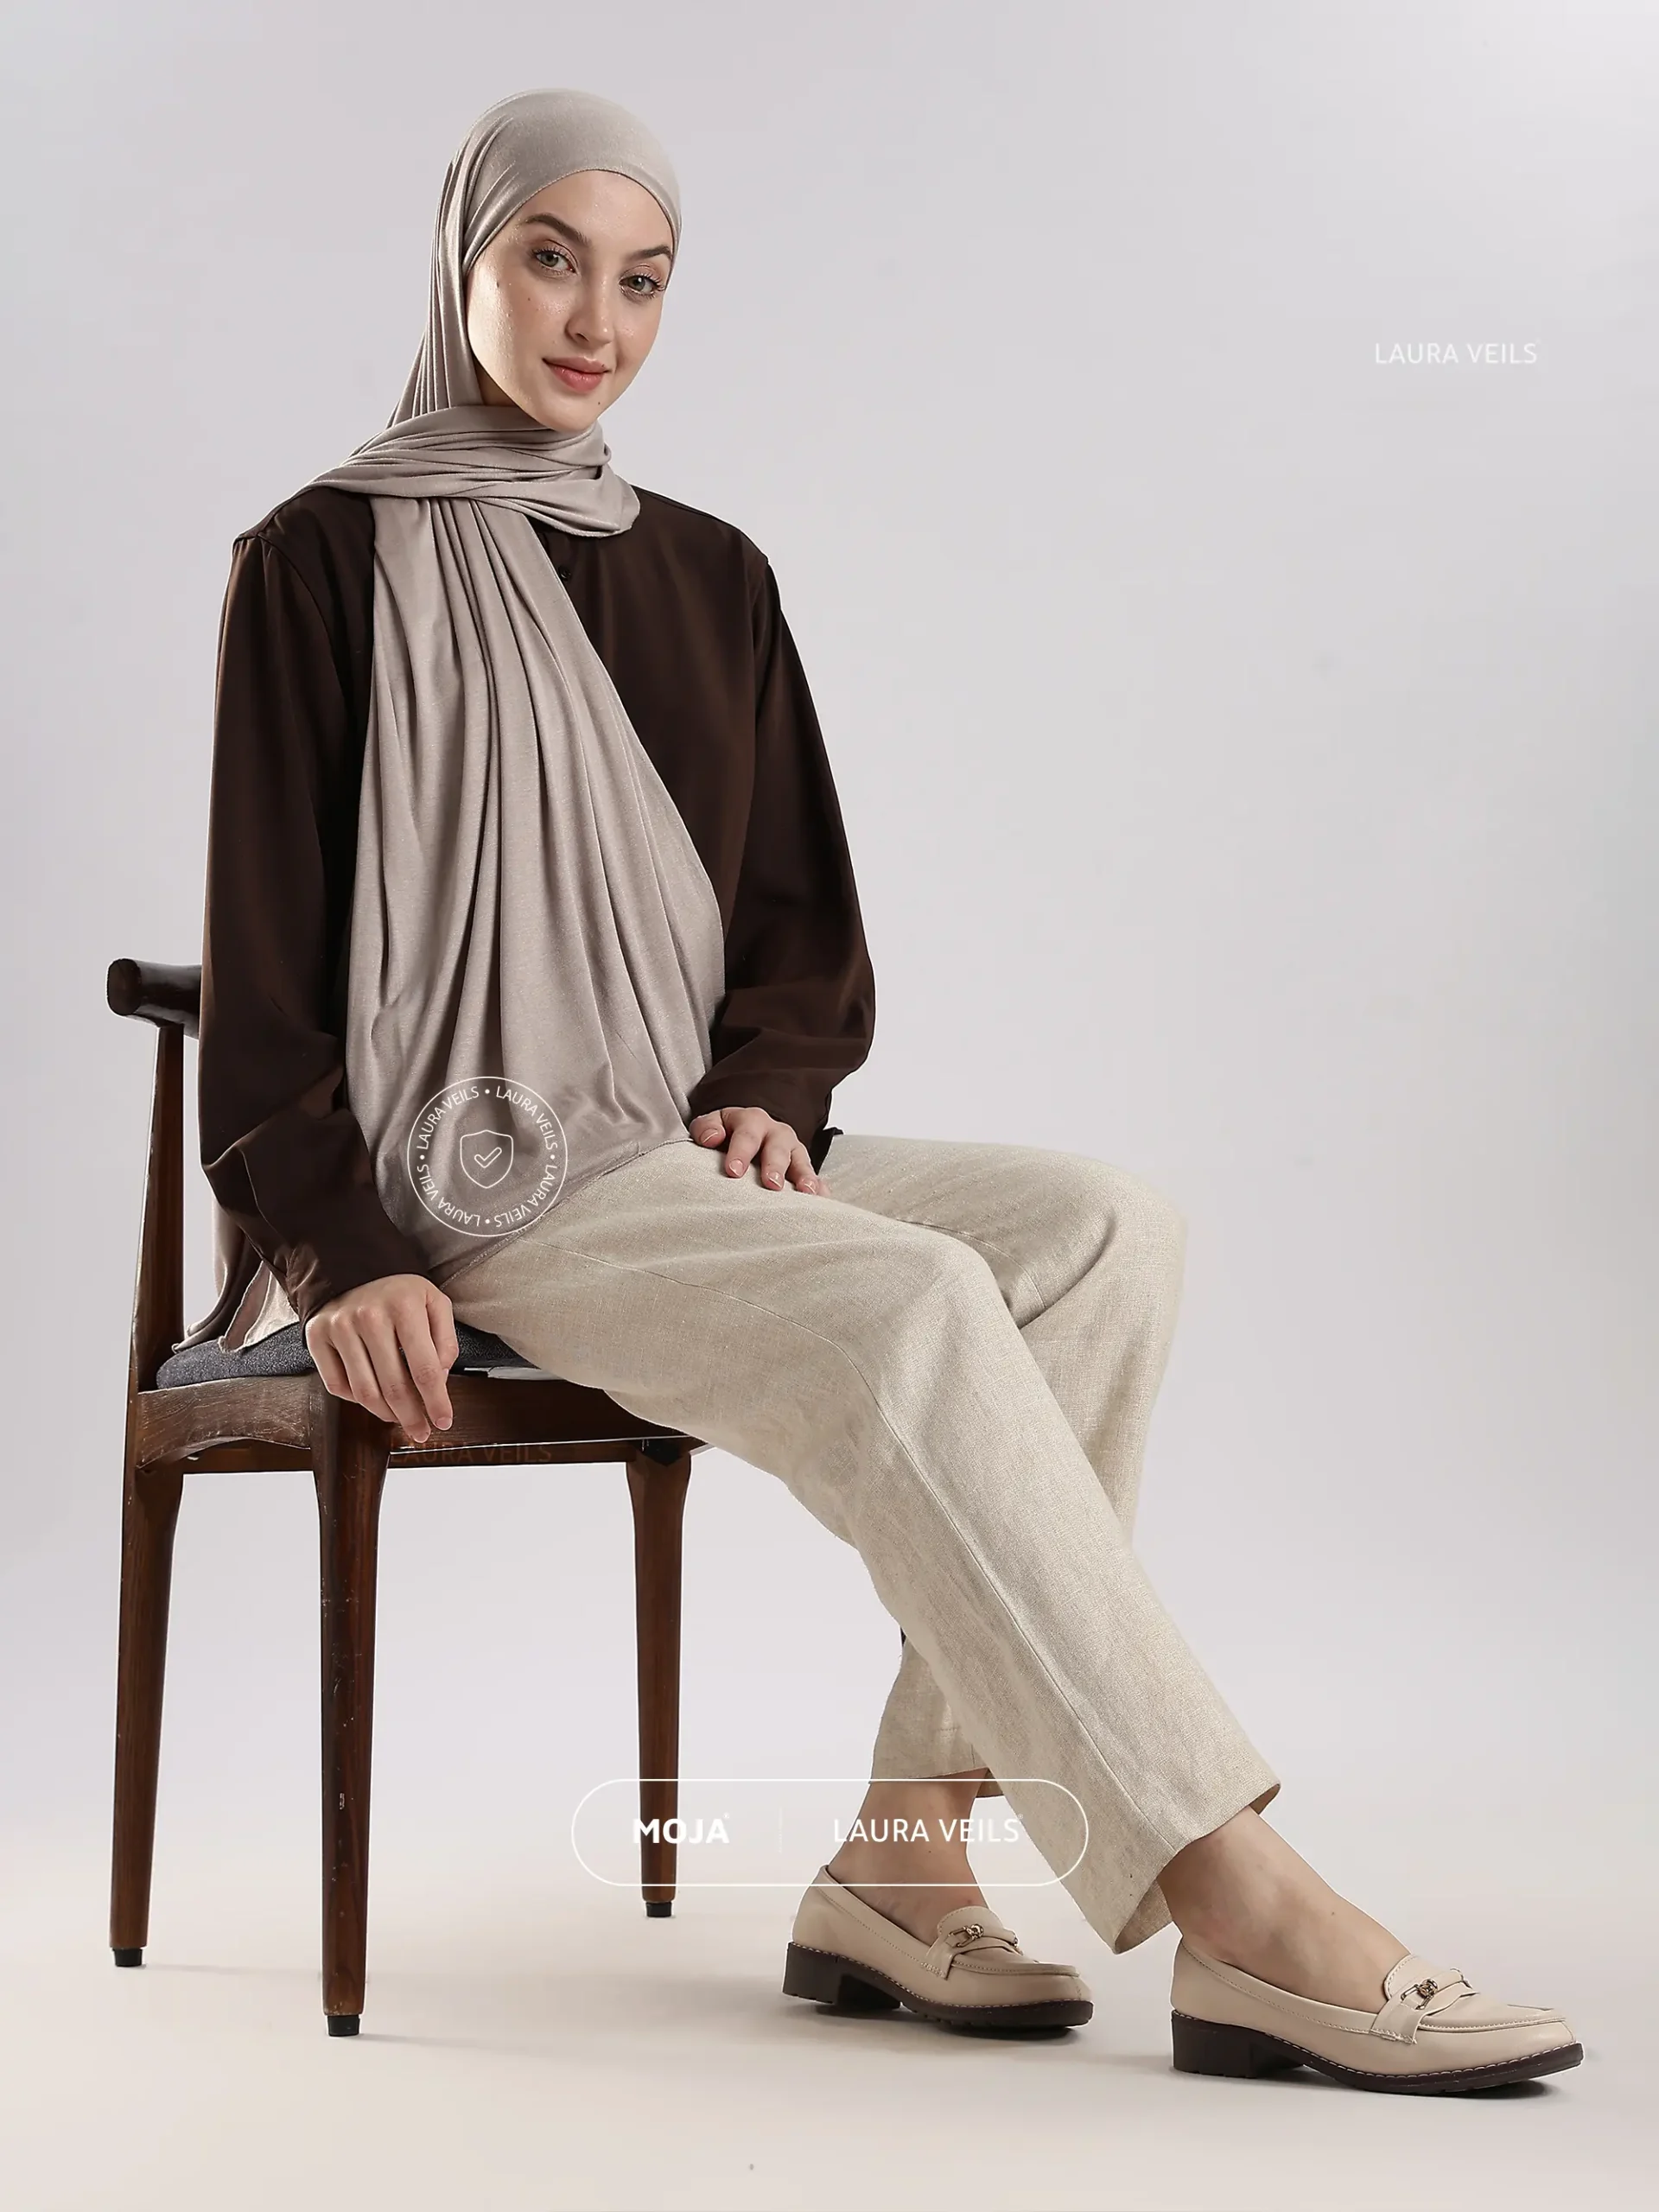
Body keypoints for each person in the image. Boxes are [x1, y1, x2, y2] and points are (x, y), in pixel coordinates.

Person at [190, 86, 1580, 2092]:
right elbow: (266, 955)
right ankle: (1236, 1892)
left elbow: (796, 914)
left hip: (660, 1153)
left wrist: (772, 1081)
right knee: (920, 1294)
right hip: (469, 1172)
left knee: (1104, 1229)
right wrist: (340, 1244)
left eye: (643, 279)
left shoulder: (713, 573)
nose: (595, 320)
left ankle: (905, 1856)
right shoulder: (320, 559)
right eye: (551, 261)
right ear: (461, 260)